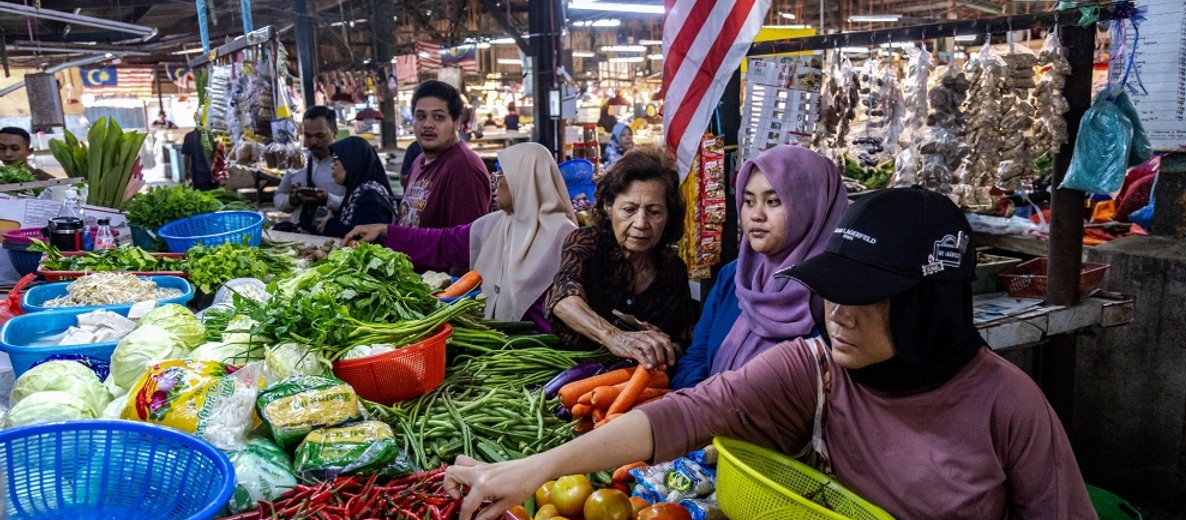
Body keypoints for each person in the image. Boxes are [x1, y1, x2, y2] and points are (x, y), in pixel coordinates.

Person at [445, 188, 1102, 520]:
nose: (836, 315)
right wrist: (526, 472)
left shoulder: (1008, 404)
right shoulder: (813, 369)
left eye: (864, 296)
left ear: (928, 304)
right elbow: (684, 415)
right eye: (830, 293)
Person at [342, 143, 577, 330]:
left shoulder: (565, 236)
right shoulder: (495, 225)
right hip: (496, 345)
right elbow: (444, 243)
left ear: (523, 180)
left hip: (546, 351)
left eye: (502, 175)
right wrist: (385, 230)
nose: (494, 182)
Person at [671, 146, 848, 389]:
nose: (756, 215)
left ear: (812, 206)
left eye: (773, 201)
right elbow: (697, 357)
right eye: (748, 201)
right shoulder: (734, 275)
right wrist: (703, 413)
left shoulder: (836, 294)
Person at [544, 149, 694, 369]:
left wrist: (665, 346)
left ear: (668, 216)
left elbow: (683, 339)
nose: (641, 223)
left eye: (654, 211)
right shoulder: (587, 243)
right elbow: (563, 298)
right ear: (608, 207)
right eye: (629, 209)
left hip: (641, 387)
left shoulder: (672, 269)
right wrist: (613, 336)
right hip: (572, 379)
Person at [399, 80, 491, 228]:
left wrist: (391, 232)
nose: (427, 124)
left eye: (438, 117)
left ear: (456, 122)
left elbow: (464, 243)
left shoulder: (463, 169)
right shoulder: (419, 161)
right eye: (421, 116)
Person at [274, 106, 346, 233]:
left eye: (320, 135)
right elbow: (278, 198)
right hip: (299, 236)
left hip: (334, 237)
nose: (312, 142)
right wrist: (291, 200)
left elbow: (358, 204)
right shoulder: (298, 161)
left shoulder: (346, 163)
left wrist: (328, 199)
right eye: (308, 135)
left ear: (334, 131)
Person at [321, 136, 395, 238]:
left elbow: (366, 238)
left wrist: (330, 226)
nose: (332, 165)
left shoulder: (370, 198)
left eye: (336, 159)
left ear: (353, 161)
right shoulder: (356, 192)